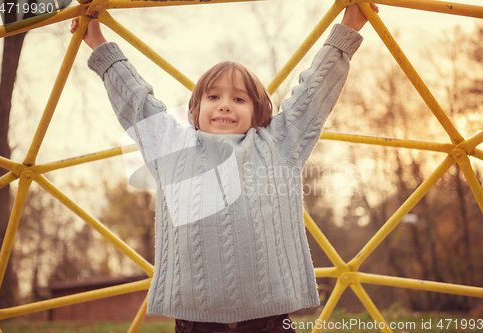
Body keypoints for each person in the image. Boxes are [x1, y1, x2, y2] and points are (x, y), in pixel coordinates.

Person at [71, 3, 378, 332]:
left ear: (258, 112)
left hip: (268, 321)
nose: (225, 105)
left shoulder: (278, 144)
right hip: (196, 322)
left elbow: (313, 93)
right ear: (195, 109)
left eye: (239, 99)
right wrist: (98, 43)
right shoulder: (173, 147)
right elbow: (135, 101)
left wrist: (349, 27)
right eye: (213, 96)